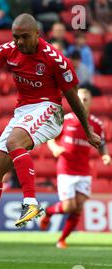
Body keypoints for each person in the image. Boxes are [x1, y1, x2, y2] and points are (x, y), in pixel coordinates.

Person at [0, 13, 101, 253]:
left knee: (15, 141)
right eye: (15, 37)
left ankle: (30, 202)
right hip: (23, 113)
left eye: (24, 37)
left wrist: (88, 130)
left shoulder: (55, 60)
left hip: (49, 109)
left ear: (37, 34)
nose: (19, 42)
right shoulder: (8, 50)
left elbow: (73, 98)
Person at [39, 88, 111, 248]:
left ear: (91, 101)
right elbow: (51, 138)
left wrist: (105, 155)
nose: (83, 101)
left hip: (84, 170)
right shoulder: (65, 119)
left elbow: (101, 144)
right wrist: (55, 148)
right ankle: (48, 212)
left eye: (86, 99)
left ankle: (62, 239)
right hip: (66, 168)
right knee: (69, 206)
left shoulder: (96, 124)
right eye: (80, 99)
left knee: (78, 206)